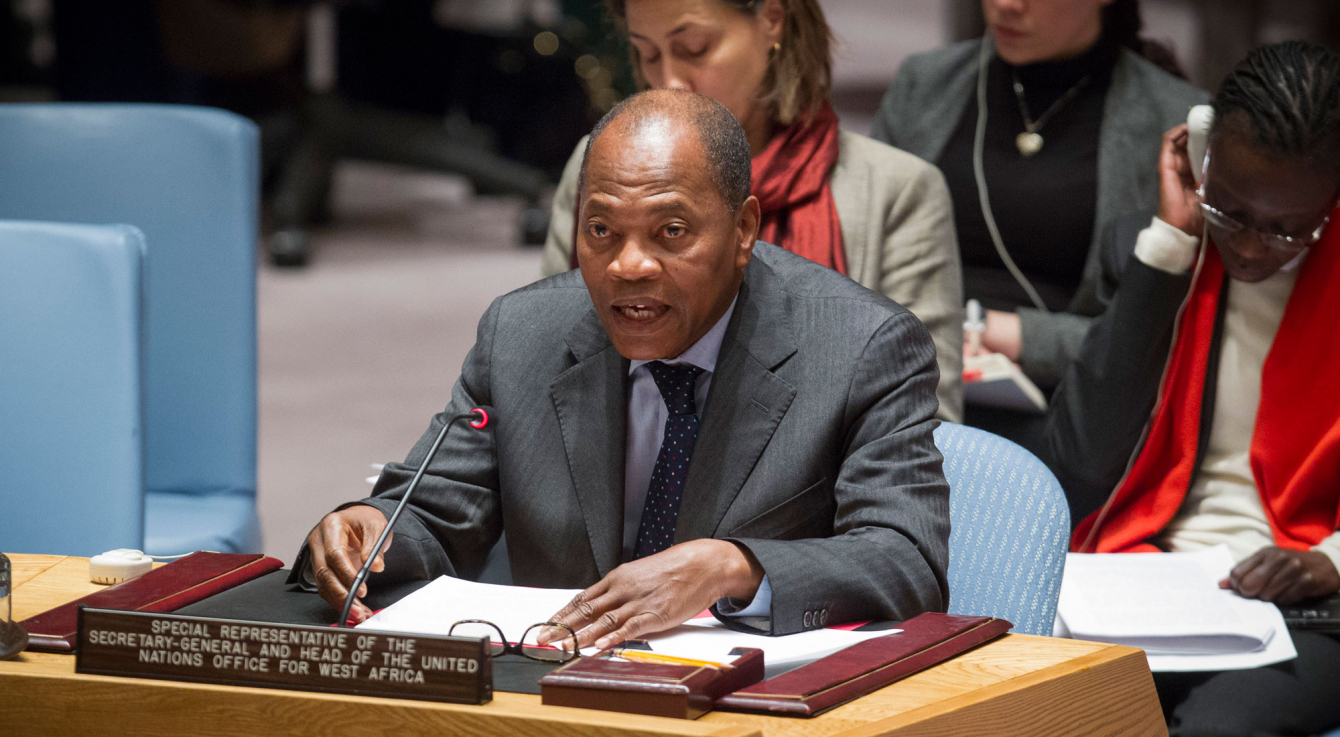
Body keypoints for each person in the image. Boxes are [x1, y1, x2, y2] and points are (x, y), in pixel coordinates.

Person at [295, 90, 950, 648]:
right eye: (601, 231)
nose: (626, 266)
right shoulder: (522, 334)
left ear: (744, 229)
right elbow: (437, 512)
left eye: (670, 232)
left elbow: (906, 559)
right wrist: (372, 528)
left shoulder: (861, 347)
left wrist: (733, 567)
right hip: (548, 698)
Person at [1044, 42, 1340, 737]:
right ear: (1201, 159)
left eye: (1288, 228)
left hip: (1310, 604)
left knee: (1213, 734)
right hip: (1149, 578)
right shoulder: (1155, 252)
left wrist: (1331, 559)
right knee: (1032, 709)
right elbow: (1078, 464)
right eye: (1231, 211)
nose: (1252, 249)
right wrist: (1170, 252)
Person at [540, 0, 965, 422]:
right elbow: (548, 372)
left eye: (694, 48)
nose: (668, 81)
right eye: (647, 53)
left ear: (772, 20)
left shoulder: (894, 190)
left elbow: (925, 426)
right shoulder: (598, 169)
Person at [871, 0, 1205, 442]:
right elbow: (868, 262)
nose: (1006, 5)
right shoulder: (926, 82)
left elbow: (1156, 335)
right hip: (905, 379)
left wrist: (1010, 334)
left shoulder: (1173, 120)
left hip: (1069, 409)